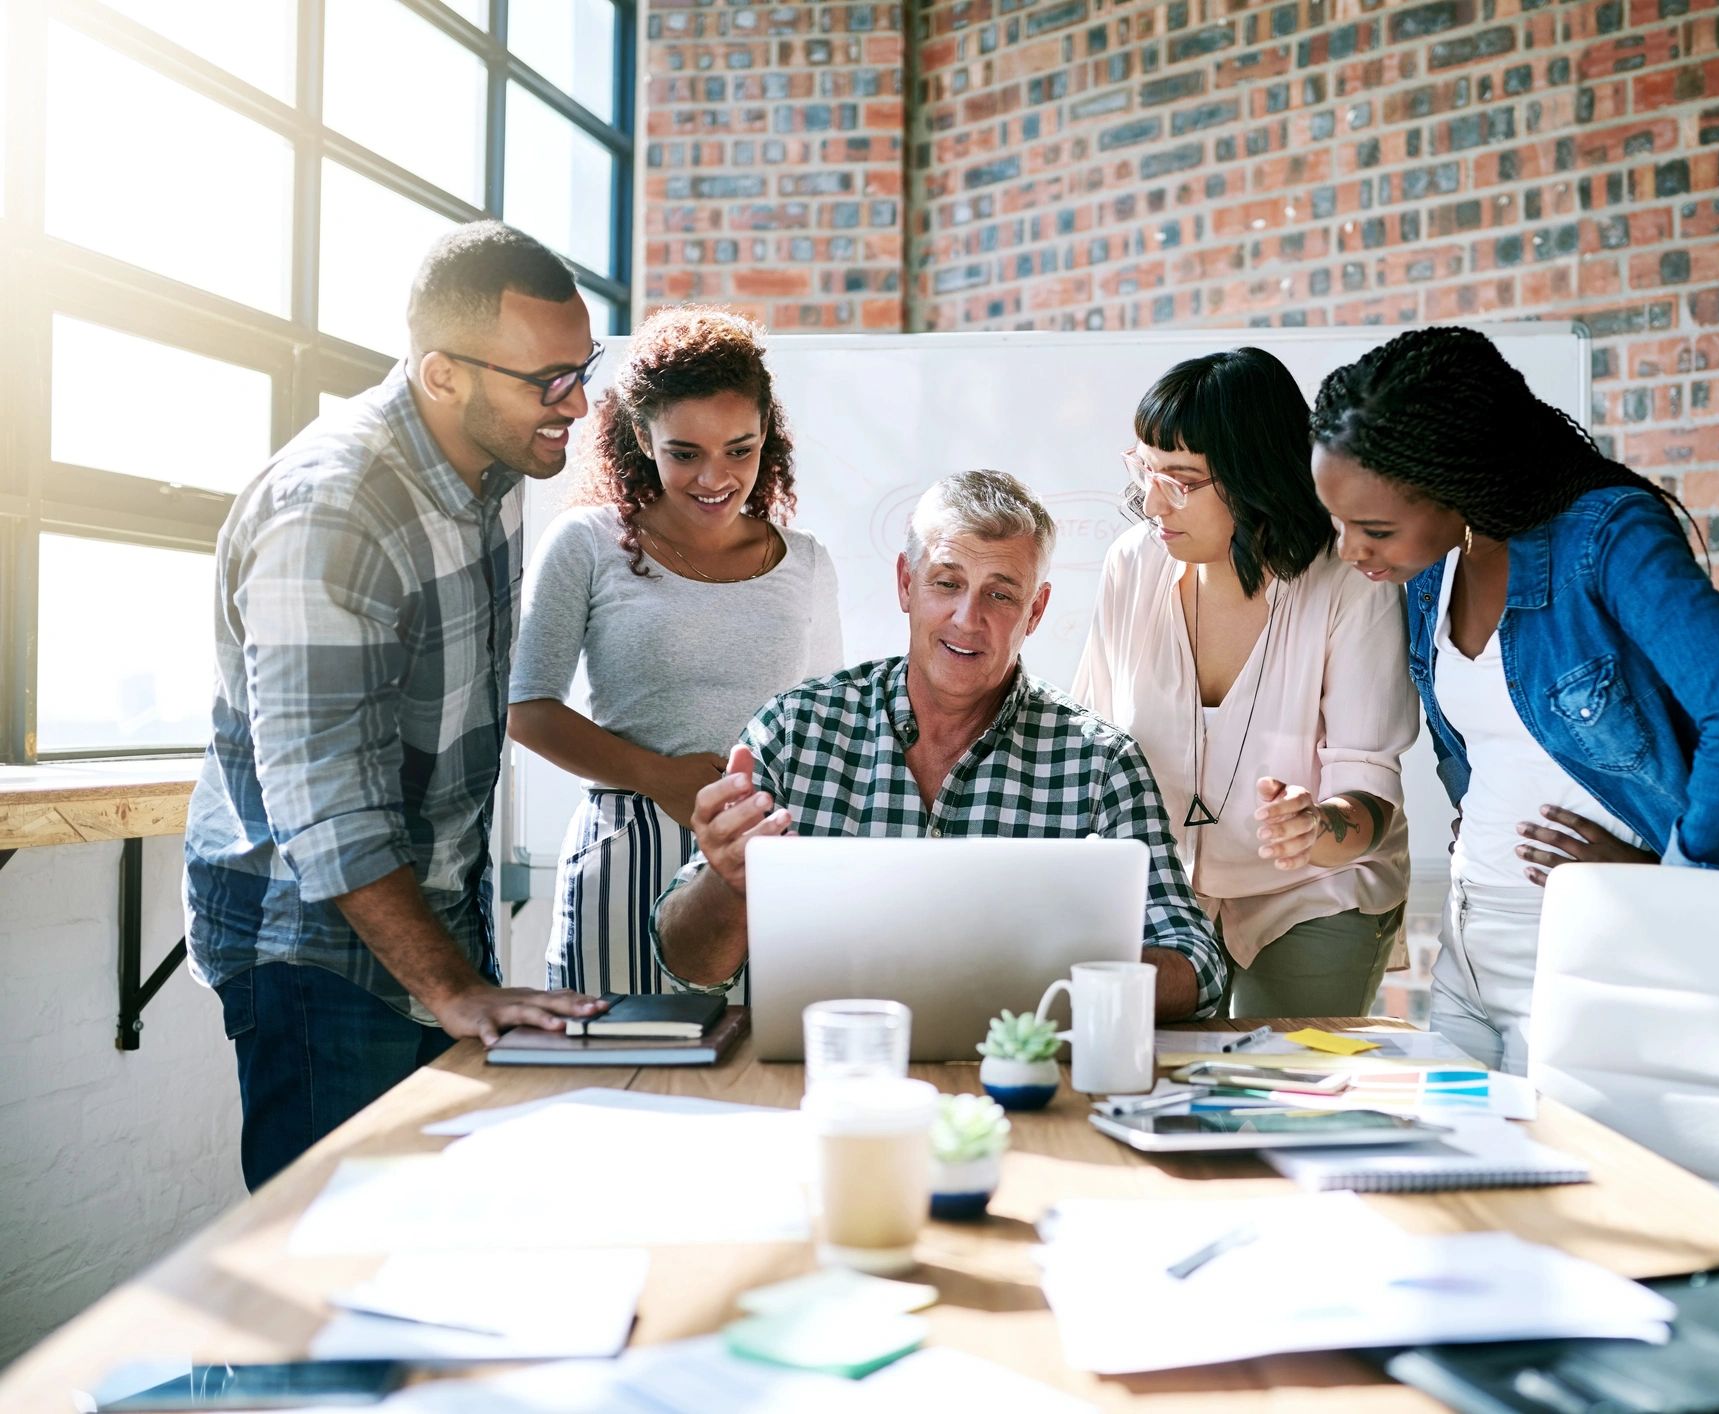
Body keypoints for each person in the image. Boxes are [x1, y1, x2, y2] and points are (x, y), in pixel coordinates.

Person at [185, 222, 610, 1191]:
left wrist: (462, 970)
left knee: (429, 1263)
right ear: (441, 374)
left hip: (433, 925)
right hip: (317, 954)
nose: (576, 403)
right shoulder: (334, 510)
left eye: (579, 368)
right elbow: (328, 801)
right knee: (329, 1284)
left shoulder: (493, 465)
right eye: (547, 380)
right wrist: (454, 987)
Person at [1308, 326, 1719, 1074]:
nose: (1349, 550)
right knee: (1460, 1178)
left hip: (1592, 952)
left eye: (1373, 529)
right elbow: (1482, 748)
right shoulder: (1431, 568)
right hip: (1467, 949)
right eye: (1338, 523)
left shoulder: (1604, 539)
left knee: (1571, 1185)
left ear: (1458, 479)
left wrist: (1683, 885)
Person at [653, 469, 1227, 1021]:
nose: (966, 617)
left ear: (1037, 610)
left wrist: (1056, 978)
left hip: (1022, 1090)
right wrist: (727, 885)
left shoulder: (1099, 762)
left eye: (1001, 596)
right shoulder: (794, 730)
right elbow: (691, 966)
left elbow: (1198, 965)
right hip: (826, 1077)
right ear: (907, 584)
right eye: (947, 583)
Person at [1072, 349, 1416, 1019]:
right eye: (1144, 471)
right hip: (1166, 894)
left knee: (1285, 1087)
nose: (1150, 502)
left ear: (1252, 475)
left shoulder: (1346, 583)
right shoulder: (1133, 563)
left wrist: (1316, 824)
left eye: (1181, 479)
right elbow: (1092, 741)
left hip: (1313, 889)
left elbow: (1369, 793)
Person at [508, 306, 841, 996]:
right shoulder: (586, 543)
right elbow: (525, 708)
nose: (713, 477)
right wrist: (659, 774)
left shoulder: (805, 563)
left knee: (755, 1085)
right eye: (684, 453)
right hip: (629, 844)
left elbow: (826, 724)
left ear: (766, 438)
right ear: (641, 436)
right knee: (613, 1083)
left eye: (739, 449)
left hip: (763, 860)